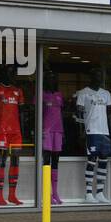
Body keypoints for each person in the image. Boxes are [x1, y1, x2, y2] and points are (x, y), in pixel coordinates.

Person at [75, 66, 111, 203]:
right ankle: (89, 192)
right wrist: (81, 132)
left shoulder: (106, 94)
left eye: (101, 76)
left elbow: (109, 114)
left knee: (103, 160)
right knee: (92, 160)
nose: (99, 78)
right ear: (91, 77)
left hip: (104, 131)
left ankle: (100, 192)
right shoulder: (83, 93)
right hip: (91, 130)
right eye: (97, 75)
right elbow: (79, 115)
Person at [0, 68, 25, 205]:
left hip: (16, 132)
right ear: (3, 73)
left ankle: (12, 195)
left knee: (15, 161)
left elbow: (21, 113)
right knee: (1, 161)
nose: (13, 75)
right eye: (10, 72)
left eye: (14, 73)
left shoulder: (18, 91)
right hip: (1, 131)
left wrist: (23, 131)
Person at [42, 71, 65, 204]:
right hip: (46, 131)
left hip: (58, 131)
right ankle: (46, 193)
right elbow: (37, 114)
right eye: (49, 78)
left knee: (56, 161)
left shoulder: (59, 95)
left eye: (53, 78)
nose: (52, 80)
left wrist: (63, 132)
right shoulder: (42, 95)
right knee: (46, 161)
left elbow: (60, 113)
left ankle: (55, 192)